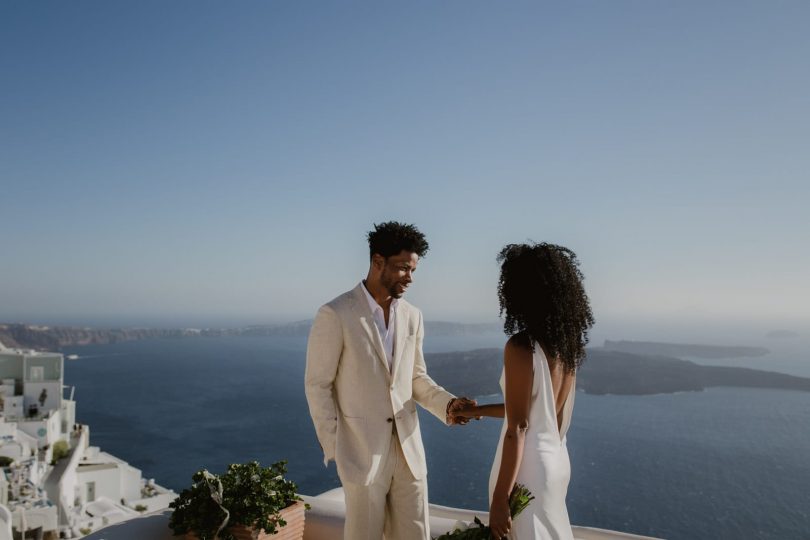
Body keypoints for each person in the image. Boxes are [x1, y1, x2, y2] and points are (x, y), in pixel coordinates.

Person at [305, 221, 476, 540]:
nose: (410, 278)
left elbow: (415, 378)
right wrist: (336, 446)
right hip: (361, 453)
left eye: (413, 270)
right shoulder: (336, 313)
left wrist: (448, 404)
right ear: (377, 261)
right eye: (402, 268)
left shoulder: (413, 316)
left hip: (409, 452)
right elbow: (318, 386)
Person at [457, 242, 594, 539]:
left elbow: (518, 427)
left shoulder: (522, 347)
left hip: (527, 469)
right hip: (556, 463)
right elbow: (534, 412)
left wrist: (499, 500)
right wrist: (477, 411)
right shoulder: (568, 349)